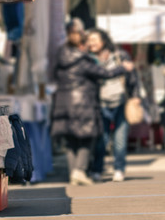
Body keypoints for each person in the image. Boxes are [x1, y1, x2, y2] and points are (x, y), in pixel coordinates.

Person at [50, 19, 133, 186]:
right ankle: (79, 170)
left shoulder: (61, 55)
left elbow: (52, 76)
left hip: (63, 103)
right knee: (87, 138)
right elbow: (104, 73)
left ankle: (74, 173)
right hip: (82, 104)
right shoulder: (82, 59)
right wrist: (123, 68)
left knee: (71, 140)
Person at [85, 28, 136, 183]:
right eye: (89, 40)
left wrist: (135, 96)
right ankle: (97, 169)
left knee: (120, 140)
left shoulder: (120, 56)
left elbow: (132, 76)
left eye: (95, 39)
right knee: (102, 140)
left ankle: (119, 169)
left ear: (104, 41)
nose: (91, 43)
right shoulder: (88, 59)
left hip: (121, 102)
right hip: (100, 104)